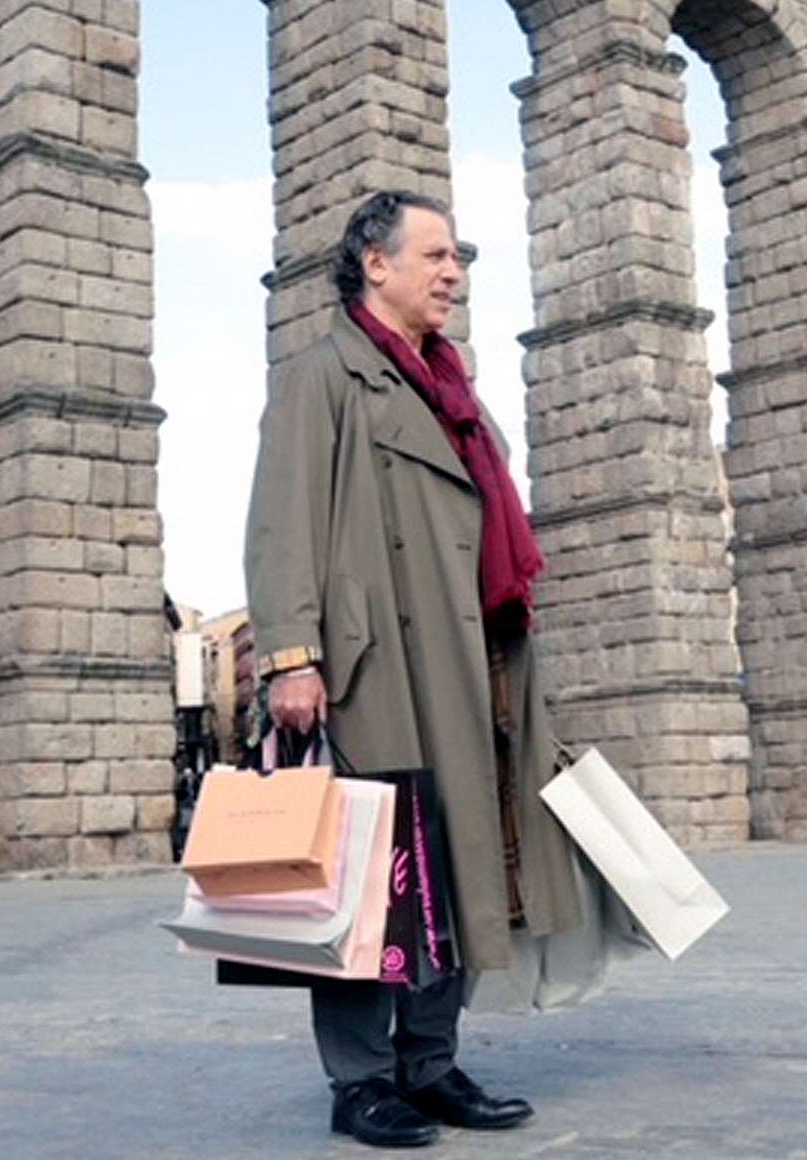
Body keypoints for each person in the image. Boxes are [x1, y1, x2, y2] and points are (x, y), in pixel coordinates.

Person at [246, 191, 582, 1148]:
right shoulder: (325, 376)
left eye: (460, 259)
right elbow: (282, 522)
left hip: (478, 653)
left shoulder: (452, 383)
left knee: (468, 859)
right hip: (379, 661)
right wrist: (291, 656)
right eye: (436, 255)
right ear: (373, 263)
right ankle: (360, 1081)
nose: (453, 273)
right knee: (373, 878)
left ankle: (430, 1063)